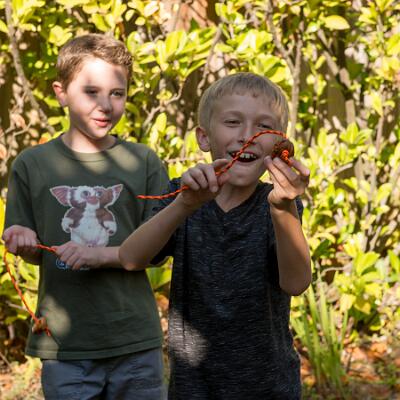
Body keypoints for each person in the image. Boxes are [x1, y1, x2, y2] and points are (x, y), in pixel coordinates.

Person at [119, 72, 312, 400]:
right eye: (233, 122)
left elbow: (296, 283)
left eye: (264, 126)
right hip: (194, 388)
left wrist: (283, 208)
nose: (247, 136)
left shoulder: (279, 205)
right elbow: (130, 258)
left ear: (280, 146)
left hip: (269, 387)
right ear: (204, 138)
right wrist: (184, 204)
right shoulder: (182, 195)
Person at [2, 33, 168, 399]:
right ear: (61, 93)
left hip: (134, 341)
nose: (105, 105)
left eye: (117, 93)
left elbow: (157, 251)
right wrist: (21, 240)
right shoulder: (32, 165)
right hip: (66, 345)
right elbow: (31, 246)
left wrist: (99, 255)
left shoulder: (143, 162)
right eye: (91, 92)